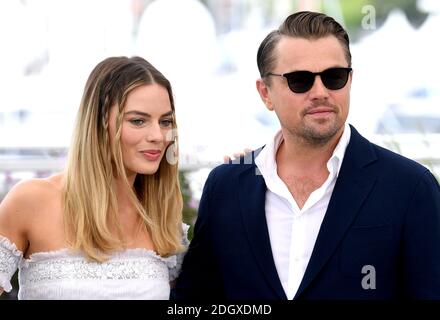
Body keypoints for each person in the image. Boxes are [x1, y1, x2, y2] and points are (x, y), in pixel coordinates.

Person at [173, 11, 440, 300]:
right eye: (300, 80)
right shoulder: (226, 187)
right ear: (265, 93)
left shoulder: (411, 187)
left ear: (350, 81)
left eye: (334, 77)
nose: (320, 92)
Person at [0, 56, 189, 299]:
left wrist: (243, 170)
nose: (158, 135)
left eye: (165, 122)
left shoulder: (162, 217)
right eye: (138, 121)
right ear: (99, 122)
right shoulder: (32, 200)